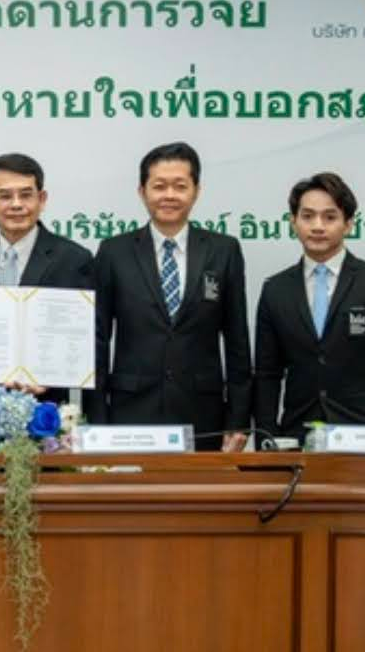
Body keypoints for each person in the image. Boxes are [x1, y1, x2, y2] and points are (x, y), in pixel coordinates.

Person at [94, 141, 251, 450]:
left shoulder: (224, 251)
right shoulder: (114, 252)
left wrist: (238, 420)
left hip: (203, 414)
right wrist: (97, 418)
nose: (169, 195)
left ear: (196, 190)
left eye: (180, 186)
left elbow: (237, 341)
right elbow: (98, 340)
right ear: (142, 191)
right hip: (130, 414)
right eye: (159, 186)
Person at [252, 172, 365, 442]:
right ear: (293, 222)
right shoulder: (275, 289)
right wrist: (267, 440)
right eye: (307, 216)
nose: (317, 226)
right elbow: (268, 374)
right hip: (296, 434)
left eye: (330, 217)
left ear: (348, 224)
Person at [0, 152, 98, 407]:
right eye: (5, 196)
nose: (16, 204)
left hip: (46, 406)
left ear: (42, 199)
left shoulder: (74, 258)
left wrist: (50, 380)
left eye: (26, 194)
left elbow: (85, 337)